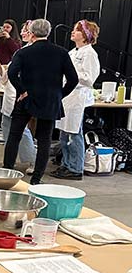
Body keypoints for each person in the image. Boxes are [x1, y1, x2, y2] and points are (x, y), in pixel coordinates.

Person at [4, 19, 79, 185]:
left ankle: (6, 172)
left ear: (31, 33)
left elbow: (11, 73)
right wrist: (60, 94)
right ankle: (36, 179)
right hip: (50, 100)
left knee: (14, 136)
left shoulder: (24, 52)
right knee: (45, 139)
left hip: (27, 98)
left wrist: (22, 90)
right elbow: (73, 79)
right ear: (49, 32)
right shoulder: (61, 53)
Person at [53, 20, 101, 181]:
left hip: (77, 97)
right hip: (67, 96)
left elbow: (89, 78)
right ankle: (66, 164)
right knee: (64, 135)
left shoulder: (89, 53)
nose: (73, 32)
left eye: (77, 30)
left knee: (74, 133)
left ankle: (75, 168)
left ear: (86, 35)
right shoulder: (73, 52)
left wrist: (72, 74)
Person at [0, 22, 37, 171]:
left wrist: (23, 90)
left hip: (22, 94)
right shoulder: (22, 49)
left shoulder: (32, 51)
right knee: (7, 125)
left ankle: (31, 160)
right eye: (22, 31)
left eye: (26, 31)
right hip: (12, 92)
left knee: (22, 130)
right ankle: (10, 159)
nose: (22, 33)